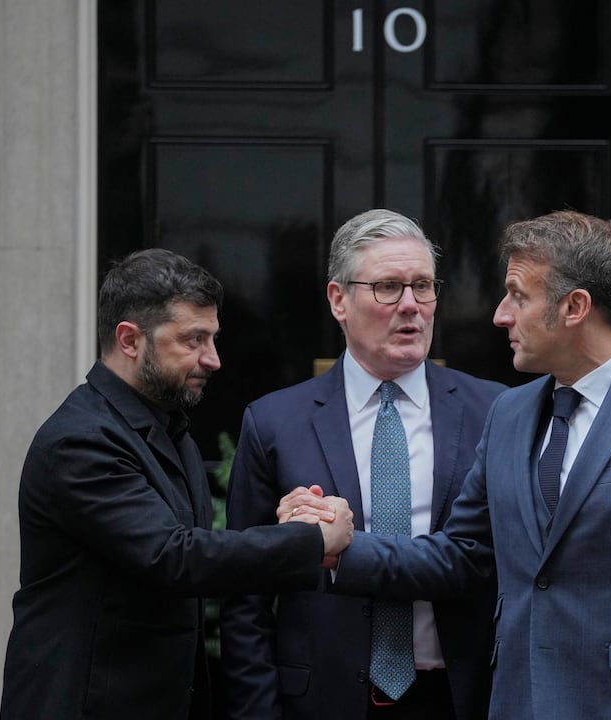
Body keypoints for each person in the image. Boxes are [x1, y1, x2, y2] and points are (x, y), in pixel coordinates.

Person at [311, 210, 611, 720]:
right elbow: (462, 555)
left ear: (574, 307)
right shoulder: (508, 413)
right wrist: (339, 546)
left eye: (518, 296)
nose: (500, 315)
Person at [0, 248, 354, 720]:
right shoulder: (80, 441)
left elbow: (194, 552)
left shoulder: (169, 428)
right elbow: (174, 557)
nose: (214, 359)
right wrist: (309, 539)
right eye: (194, 340)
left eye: (213, 338)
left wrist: (288, 523)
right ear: (130, 340)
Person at [220, 209, 506, 719]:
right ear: (339, 300)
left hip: (462, 697)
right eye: (388, 287)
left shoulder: (496, 412)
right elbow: (246, 598)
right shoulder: (274, 422)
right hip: (322, 701)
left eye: (423, 286)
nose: (411, 305)